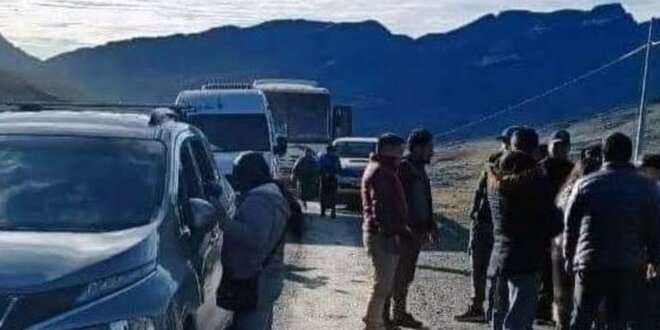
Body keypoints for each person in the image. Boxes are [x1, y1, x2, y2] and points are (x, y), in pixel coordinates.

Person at [563, 133, 660, 330]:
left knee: (581, 318)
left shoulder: (585, 184)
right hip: (628, 264)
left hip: (590, 262)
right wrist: (654, 259)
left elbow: (570, 225)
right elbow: (654, 228)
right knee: (617, 321)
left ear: (604, 155)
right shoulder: (648, 188)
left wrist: (569, 255)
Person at [488, 128, 562, 330]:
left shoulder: (494, 175)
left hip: (500, 252)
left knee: (500, 311)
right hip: (527, 255)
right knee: (520, 315)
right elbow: (551, 220)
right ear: (535, 149)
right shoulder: (536, 179)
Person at [455, 126, 523, 323]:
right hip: (483, 220)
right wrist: (475, 213)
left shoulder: (522, 165)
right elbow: (480, 190)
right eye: (503, 140)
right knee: (478, 264)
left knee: (498, 269)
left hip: (503, 224)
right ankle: (477, 305)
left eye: (507, 140)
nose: (504, 144)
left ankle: (496, 308)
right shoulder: (493, 160)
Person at [218, 152, 292, 330]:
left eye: (237, 174)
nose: (235, 180)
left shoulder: (259, 201)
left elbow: (256, 238)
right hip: (264, 279)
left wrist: (224, 222)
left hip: (256, 282)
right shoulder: (270, 196)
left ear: (248, 175)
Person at [385, 129, 439, 328]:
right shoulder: (404, 168)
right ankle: (384, 316)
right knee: (396, 274)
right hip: (403, 233)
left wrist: (431, 224)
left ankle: (399, 313)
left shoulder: (418, 168)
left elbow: (424, 198)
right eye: (429, 148)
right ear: (417, 148)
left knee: (405, 275)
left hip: (416, 232)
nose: (432, 152)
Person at [361, 133, 410, 330]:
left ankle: (374, 321)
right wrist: (395, 231)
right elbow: (379, 205)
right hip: (382, 235)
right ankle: (372, 323)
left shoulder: (382, 168)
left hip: (382, 232)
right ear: (388, 149)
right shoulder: (382, 171)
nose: (402, 154)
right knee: (383, 284)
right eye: (399, 150)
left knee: (383, 283)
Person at [553, 143, 602, 330]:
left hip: (566, 249)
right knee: (587, 307)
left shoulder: (570, 188)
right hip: (585, 252)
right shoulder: (593, 189)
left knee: (567, 304)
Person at [537, 130, 575, 324]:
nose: (560, 150)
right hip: (542, 228)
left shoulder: (573, 170)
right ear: (550, 146)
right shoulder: (540, 169)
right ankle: (542, 309)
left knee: (558, 273)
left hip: (562, 230)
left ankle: (555, 311)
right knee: (543, 271)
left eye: (563, 146)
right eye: (556, 146)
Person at [318, 144, 342, 218]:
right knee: (325, 196)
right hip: (325, 179)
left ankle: (332, 211)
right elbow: (319, 167)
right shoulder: (324, 157)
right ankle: (323, 211)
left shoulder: (335, 158)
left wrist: (335, 173)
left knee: (331, 196)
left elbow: (339, 168)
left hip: (331, 179)